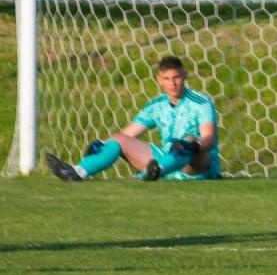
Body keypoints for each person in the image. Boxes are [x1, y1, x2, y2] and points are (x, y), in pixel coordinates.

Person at [46, 55, 219, 181]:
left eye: (176, 78)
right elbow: (127, 134)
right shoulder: (156, 105)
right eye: (167, 79)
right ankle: (78, 172)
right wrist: (102, 145)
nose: (172, 83)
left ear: (185, 76)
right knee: (117, 139)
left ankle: (156, 170)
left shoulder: (201, 102)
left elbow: (209, 139)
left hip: (197, 166)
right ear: (159, 80)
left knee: (189, 140)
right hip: (167, 158)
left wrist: (189, 145)